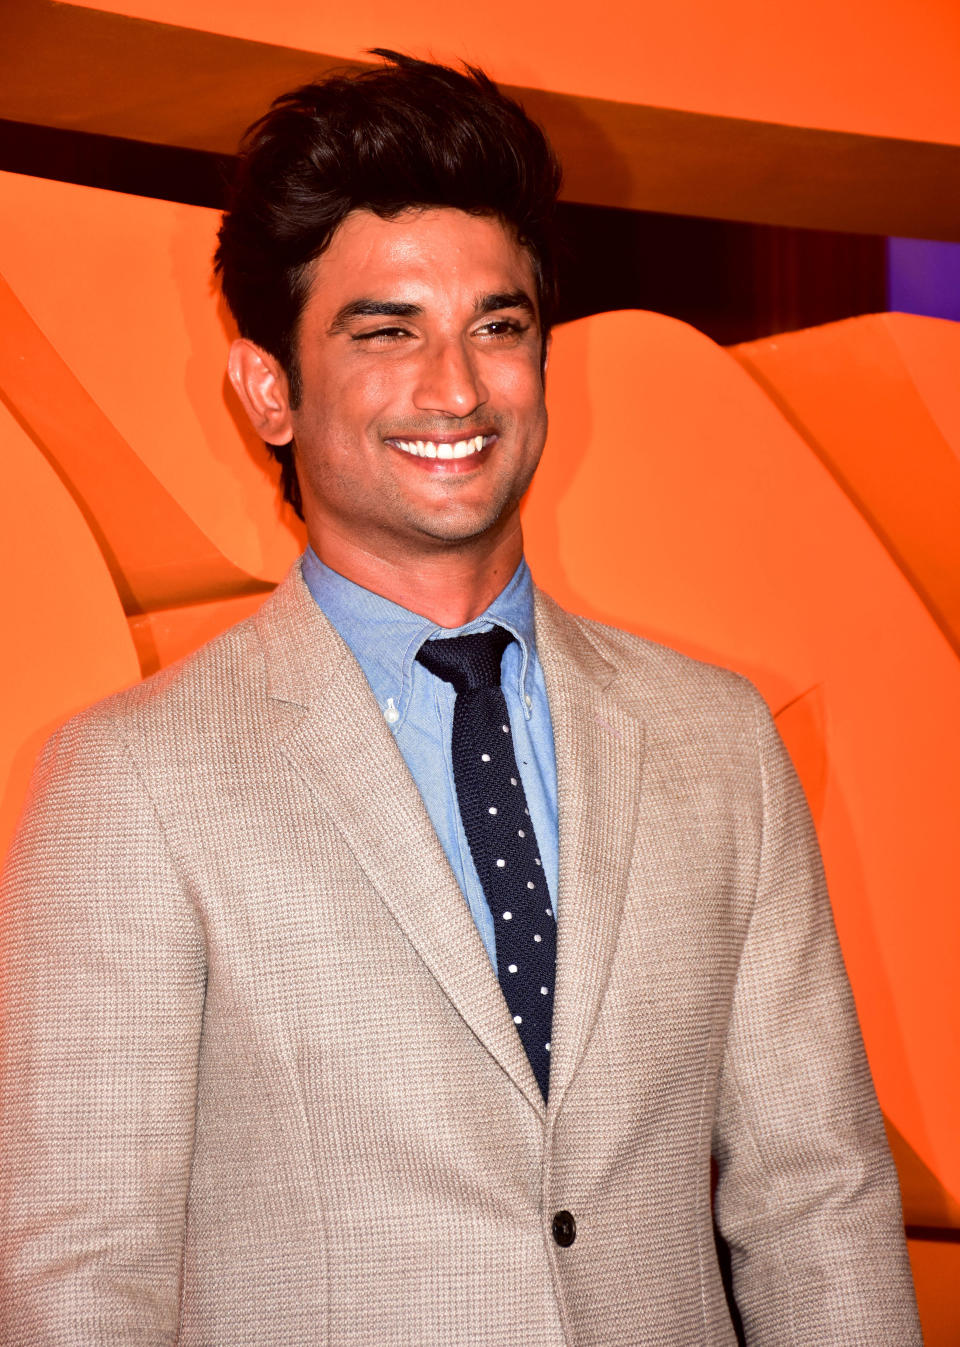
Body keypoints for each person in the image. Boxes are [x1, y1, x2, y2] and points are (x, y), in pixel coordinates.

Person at [0, 50, 921, 1347]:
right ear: (269, 388)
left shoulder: (716, 742)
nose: (457, 389)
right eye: (387, 332)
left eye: (499, 326)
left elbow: (816, 1200)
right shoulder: (129, 785)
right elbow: (82, 1282)